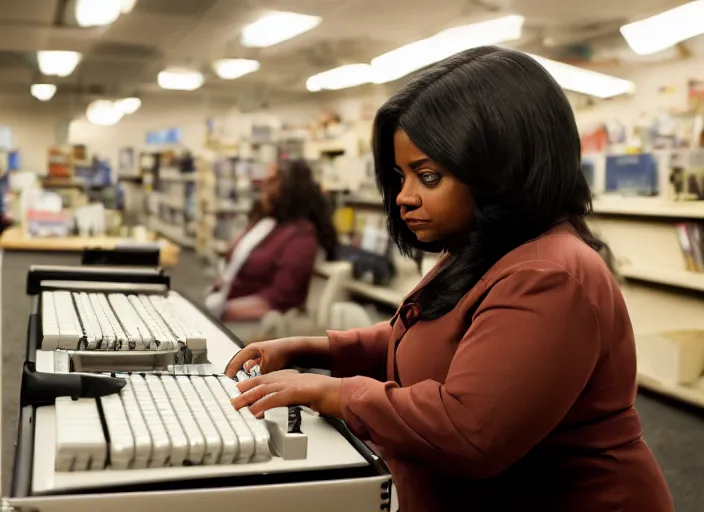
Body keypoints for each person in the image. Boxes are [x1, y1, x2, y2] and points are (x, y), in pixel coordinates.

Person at [226, 46, 674, 511]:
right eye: (401, 176)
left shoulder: (550, 274)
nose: (405, 197)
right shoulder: (485, 247)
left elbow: (469, 430)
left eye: (428, 176)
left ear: (498, 168)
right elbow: (435, 342)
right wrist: (317, 350)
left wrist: (332, 391)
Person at [205, 159, 337, 322]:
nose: (264, 185)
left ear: (292, 189)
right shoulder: (266, 223)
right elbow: (234, 256)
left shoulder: (301, 234)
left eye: (273, 180)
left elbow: (280, 299)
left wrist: (222, 311)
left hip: (251, 323)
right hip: (227, 307)